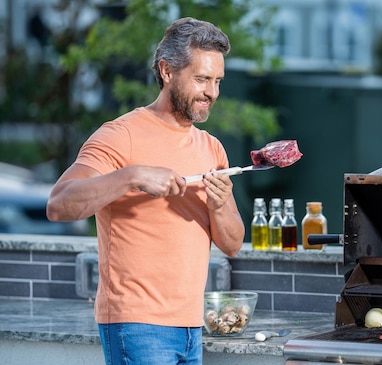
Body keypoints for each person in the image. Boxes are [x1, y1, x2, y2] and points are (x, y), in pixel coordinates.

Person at [46, 17, 244, 365]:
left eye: (217, 81)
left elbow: (232, 243)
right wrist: (131, 176)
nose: (211, 92)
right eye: (201, 79)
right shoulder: (121, 135)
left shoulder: (212, 148)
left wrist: (219, 203)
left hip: (190, 327)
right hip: (136, 324)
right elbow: (59, 205)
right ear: (167, 71)